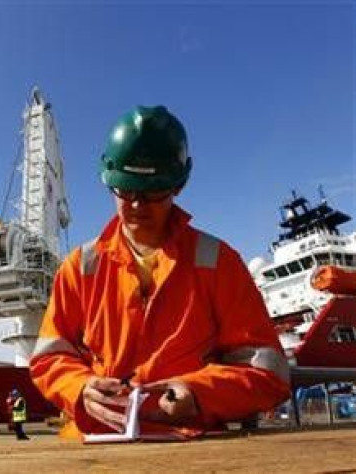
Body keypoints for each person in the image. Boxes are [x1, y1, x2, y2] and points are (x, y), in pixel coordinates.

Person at [29, 105, 290, 440]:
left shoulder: (218, 263)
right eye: (126, 189)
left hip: (194, 445)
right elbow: (49, 359)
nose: (137, 205)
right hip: (96, 443)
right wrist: (80, 388)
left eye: (152, 191)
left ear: (178, 185)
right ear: (109, 182)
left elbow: (268, 372)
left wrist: (198, 393)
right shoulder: (79, 268)